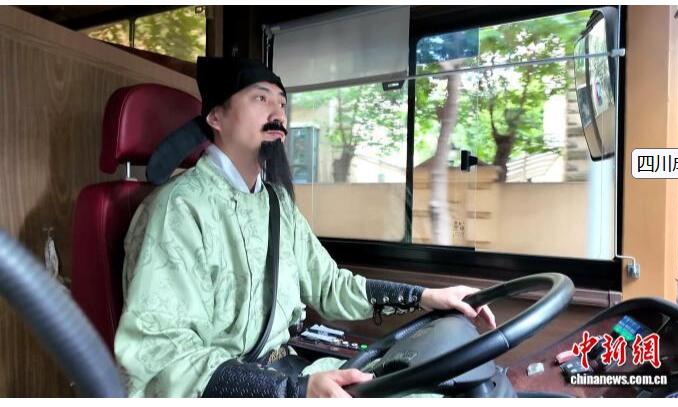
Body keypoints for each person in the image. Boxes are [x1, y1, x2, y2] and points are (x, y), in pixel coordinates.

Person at [114, 56, 495, 398]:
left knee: (431, 388)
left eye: (282, 103)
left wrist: (423, 296)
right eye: (260, 98)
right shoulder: (179, 209)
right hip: (231, 388)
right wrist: (292, 391)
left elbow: (330, 285)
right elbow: (164, 352)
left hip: (289, 371)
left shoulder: (276, 203)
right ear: (216, 118)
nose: (278, 113)